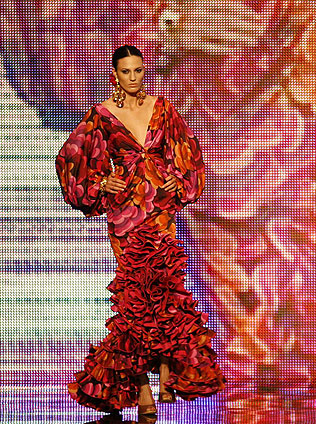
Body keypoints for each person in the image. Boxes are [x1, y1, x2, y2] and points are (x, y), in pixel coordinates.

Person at [55, 44, 226, 416]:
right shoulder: (102, 116)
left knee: (164, 293)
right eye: (126, 72)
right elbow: (70, 157)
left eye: (138, 70)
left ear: (144, 71)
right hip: (126, 214)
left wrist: (178, 178)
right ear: (115, 75)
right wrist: (102, 183)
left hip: (160, 210)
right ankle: (143, 389)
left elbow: (188, 151)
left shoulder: (162, 109)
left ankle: (166, 374)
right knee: (135, 299)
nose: (133, 78)